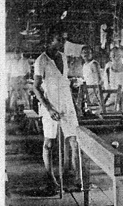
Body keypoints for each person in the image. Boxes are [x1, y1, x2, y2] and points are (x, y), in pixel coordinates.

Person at [33, 30, 80, 195]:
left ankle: (76, 179)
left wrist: (74, 101)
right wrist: (49, 108)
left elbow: (64, 81)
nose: (62, 43)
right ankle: (50, 179)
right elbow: (36, 88)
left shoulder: (63, 57)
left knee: (74, 141)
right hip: (50, 105)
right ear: (49, 41)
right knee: (49, 143)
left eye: (64, 40)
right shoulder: (41, 61)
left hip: (67, 104)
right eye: (59, 39)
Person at [103, 47, 123, 124]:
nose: (116, 58)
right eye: (113, 56)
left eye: (118, 55)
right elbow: (107, 89)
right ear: (110, 57)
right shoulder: (107, 71)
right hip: (113, 100)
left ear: (122, 56)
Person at [81, 45, 104, 115]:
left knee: (96, 110)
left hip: (94, 90)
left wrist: (97, 91)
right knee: (89, 110)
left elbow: (99, 79)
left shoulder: (94, 64)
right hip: (88, 90)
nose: (86, 54)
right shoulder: (85, 65)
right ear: (81, 55)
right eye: (84, 53)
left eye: (88, 52)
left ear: (91, 54)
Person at [8, 48, 31, 115]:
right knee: (13, 97)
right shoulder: (11, 62)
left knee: (25, 96)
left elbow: (28, 73)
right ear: (14, 53)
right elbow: (8, 73)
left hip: (22, 79)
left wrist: (24, 79)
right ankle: (13, 114)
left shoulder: (25, 61)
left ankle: (27, 113)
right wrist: (9, 83)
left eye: (19, 52)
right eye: (16, 52)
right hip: (13, 80)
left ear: (21, 53)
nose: (17, 54)